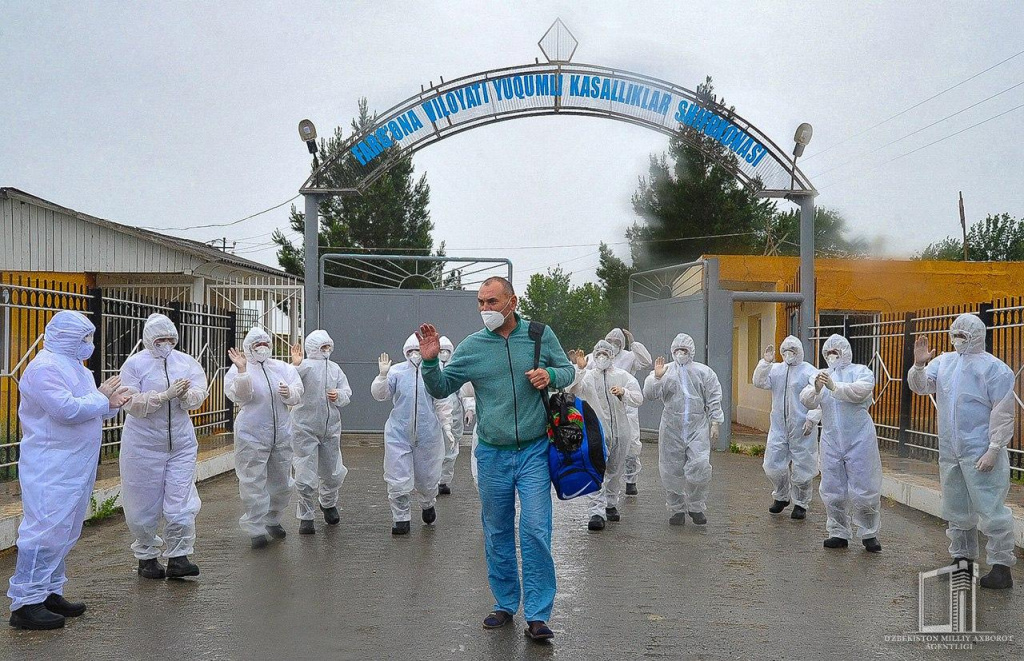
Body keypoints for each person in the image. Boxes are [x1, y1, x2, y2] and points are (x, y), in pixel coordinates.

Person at [418, 276, 576, 643]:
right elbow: (442, 387)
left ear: (512, 301)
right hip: (492, 453)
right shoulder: (473, 347)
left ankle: (537, 615)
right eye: (480, 303)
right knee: (498, 529)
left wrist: (550, 374)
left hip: (535, 449)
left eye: (492, 301)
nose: (485, 309)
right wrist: (429, 364)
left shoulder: (539, 335)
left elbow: (568, 370)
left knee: (536, 529)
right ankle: (505, 603)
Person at [8, 311, 130, 630]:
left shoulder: (77, 368)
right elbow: (66, 410)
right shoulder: (43, 369)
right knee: (45, 529)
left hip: (77, 462)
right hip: (51, 463)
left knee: (66, 529)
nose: (89, 344)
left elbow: (92, 408)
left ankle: (49, 591)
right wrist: (102, 398)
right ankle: (25, 602)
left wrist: (112, 402)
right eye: (84, 338)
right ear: (65, 338)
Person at [908, 313, 1016, 589]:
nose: (957, 339)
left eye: (963, 335)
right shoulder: (944, 362)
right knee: (957, 508)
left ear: (976, 336)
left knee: (991, 508)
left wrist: (994, 448)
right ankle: (962, 562)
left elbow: (1003, 412)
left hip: (980, 449)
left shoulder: (994, 369)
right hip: (951, 450)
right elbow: (921, 387)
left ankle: (1001, 567)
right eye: (954, 334)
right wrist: (919, 366)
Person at [119, 313, 208, 579]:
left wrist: (186, 396)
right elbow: (129, 402)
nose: (166, 343)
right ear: (149, 339)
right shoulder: (135, 365)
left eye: (170, 338)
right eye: (160, 338)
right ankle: (146, 556)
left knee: (181, 499)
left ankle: (179, 556)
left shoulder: (186, 362)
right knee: (142, 503)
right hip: (143, 444)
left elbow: (201, 392)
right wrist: (162, 396)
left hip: (180, 442)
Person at [799, 334, 883, 553]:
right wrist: (817, 389)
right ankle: (837, 532)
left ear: (845, 352)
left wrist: (835, 387)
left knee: (864, 486)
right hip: (831, 439)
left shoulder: (861, 371)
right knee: (832, 487)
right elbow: (808, 399)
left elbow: (860, 392)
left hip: (859, 438)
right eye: (828, 352)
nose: (831, 355)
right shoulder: (821, 375)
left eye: (835, 352)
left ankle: (869, 533)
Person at [225, 328, 303, 549]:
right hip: (252, 433)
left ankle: (273, 519)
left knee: (281, 481)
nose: (262, 348)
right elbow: (240, 396)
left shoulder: (281, 368)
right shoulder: (239, 369)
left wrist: (290, 393)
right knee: (253, 480)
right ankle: (256, 527)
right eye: (257, 345)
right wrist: (242, 371)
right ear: (248, 348)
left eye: (265, 344)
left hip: (281, 433)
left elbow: (298, 389)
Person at [370, 333, 453, 535]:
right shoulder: (396, 372)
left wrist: (447, 426)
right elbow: (380, 395)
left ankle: (427, 503)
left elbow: (442, 401)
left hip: (428, 433)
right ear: (406, 352)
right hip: (399, 432)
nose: (415, 355)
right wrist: (382, 376)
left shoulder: (435, 371)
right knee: (398, 476)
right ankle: (401, 518)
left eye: (418, 351)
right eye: (411, 351)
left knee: (427, 476)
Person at [642, 333, 723, 526]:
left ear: (691, 351)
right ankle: (676, 509)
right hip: (672, 426)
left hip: (697, 426)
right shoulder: (665, 370)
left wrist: (715, 422)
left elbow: (714, 397)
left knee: (701, 465)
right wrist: (657, 377)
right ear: (672, 351)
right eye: (677, 350)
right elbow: (649, 394)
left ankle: (696, 507)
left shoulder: (704, 372)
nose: (680, 353)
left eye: (684, 350)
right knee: (671, 468)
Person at [567, 340, 643, 531]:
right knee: (596, 468)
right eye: (598, 354)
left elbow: (638, 398)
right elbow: (572, 390)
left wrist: (623, 393)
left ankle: (610, 503)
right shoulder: (588, 377)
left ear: (611, 356)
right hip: (596, 431)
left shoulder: (622, 376)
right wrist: (580, 368)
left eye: (605, 354)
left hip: (620, 431)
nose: (602, 357)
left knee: (615, 470)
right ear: (594, 356)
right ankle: (596, 512)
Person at [289, 329, 351, 535]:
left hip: (330, 427)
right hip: (305, 426)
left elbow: (346, 392)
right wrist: (296, 365)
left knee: (332, 470)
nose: (326, 350)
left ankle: (328, 503)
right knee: (305, 471)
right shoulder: (305, 366)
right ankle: (306, 516)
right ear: (313, 347)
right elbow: (291, 384)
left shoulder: (335, 369)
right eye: (322, 347)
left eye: (328, 346)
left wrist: (338, 395)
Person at [752, 335, 821, 520]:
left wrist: (812, 418)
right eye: (785, 351)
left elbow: (819, 394)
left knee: (803, 467)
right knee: (772, 464)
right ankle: (781, 496)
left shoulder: (809, 371)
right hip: (779, 426)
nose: (789, 354)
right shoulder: (776, 370)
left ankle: (801, 503)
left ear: (799, 352)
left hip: (801, 426)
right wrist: (765, 363)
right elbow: (759, 382)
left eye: (793, 351)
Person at [584, 328, 652, 496]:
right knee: (601, 448)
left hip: (625, 406)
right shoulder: (595, 357)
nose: (613, 346)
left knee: (631, 445)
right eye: (611, 341)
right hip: (601, 408)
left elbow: (646, 362)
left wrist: (634, 344)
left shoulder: (628, 358)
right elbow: (581, 377)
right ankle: (602, 498)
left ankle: (631, 479)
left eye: (617, 342)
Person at [437, 336, 471, 495]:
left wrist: (469, 409)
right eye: (441, 350)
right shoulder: (430, 368)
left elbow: (466, 393)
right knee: (434, 450)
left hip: (454, 415)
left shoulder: (457, 368)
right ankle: (431, 482)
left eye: (446, 351)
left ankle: (443, 481)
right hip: (434, 416)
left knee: (450, 449)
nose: (443, 353)